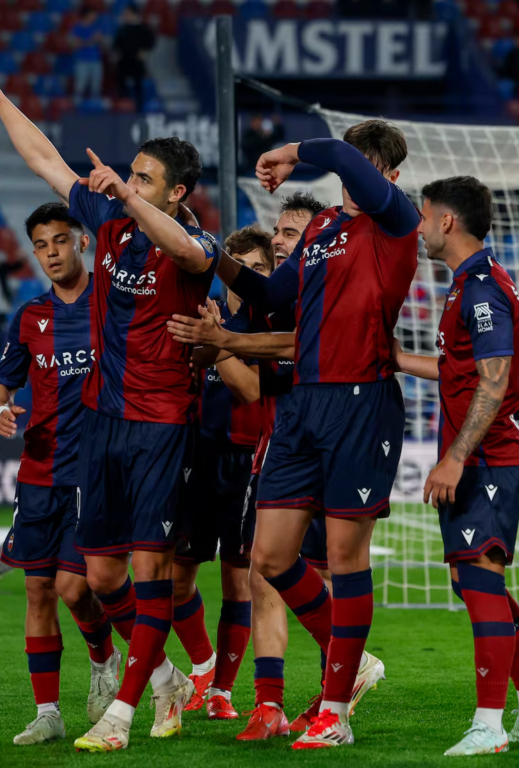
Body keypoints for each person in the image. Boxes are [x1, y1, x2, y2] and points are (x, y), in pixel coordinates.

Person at [0, 42, 222, 753]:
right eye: (128, 172)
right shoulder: (109, 224)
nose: (125, 182)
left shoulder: (194, 243)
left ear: (176, 193)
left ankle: (125, 712)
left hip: (162, 425)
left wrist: (128, 198)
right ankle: (163, 675)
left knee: (149, 567)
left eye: (143, 178)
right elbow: (45, 160)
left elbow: (190, 256)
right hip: (101, 423)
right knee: (99, 576)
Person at [203, 121, 419, 748]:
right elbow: (273, 291)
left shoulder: (395, 222)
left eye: (364, 167)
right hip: (304, 406)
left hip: (362, 401)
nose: (351, 177)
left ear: (388, 178)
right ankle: (351, 658)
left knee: (347, 560)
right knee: (267, 560)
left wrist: (288, 153)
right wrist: (209, 255)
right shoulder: (323, 229)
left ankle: (335, 712)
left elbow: (332, 156)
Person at [168, 193, 387, 740]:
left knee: (326, 573)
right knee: (268, 575)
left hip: (329, 443)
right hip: (281, 450)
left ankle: (335, 689)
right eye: (281, 233)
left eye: (294, 234)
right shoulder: (274, 304)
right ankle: (273, 702)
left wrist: (222, 342)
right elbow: (252, 375)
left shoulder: (322, 301)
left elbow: (253, 378)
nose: (285, 241)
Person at [393, 176, 519, 756]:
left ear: (447, 221)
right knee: (473, 580)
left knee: (480, 578)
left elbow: (493, 384)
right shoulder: (467, 284)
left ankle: (490, 725)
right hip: (482, 454)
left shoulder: (482, 290)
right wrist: (396, 359)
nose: (417, 229)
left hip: (489, 456)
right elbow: (459, 370)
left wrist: (454, 458)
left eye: (423, 217)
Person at [0, 202, 122, 746]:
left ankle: (104, 658)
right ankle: (47, 713)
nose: (51, 253)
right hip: (39, 469)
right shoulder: (28, 317)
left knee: (75, 586)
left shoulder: (113, 304)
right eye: (41, 245)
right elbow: (5, 383)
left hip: (96, 469)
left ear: (82, 244)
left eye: (60, 241)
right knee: (38, 589)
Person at [170, 226, 275, 719]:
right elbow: (184, 372)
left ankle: (222, 694)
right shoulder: (200, 315)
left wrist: (220, 342)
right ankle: (203, 665)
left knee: (239, 583)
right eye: (235, 267)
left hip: (243, 462)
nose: (243, 277)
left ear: (270, 273)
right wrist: (208, 342)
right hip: (194, 457)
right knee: (175, 578)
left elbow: (253, 392)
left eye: (256, 268)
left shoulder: (268, 326)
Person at [112, 5, 155, 109]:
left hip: (137, 61)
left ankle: (139, 107)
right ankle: (124, 105)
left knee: (138, 84)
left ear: (134, 15)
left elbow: (151, 41)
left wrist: (145, 51)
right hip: (124, 60)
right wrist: (116, 53)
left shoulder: (143, 28)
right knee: (120, 82)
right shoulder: (123, 29)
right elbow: (116, 44)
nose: (125, 16)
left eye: (128, 14)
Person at [72, 6, 105, 99]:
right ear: (86, 15)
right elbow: (75, 44)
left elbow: (102, 46)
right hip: (82, 60)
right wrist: (91, 40)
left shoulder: (96, 28)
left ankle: (95, 106)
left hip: (96, 60)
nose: (95, 16)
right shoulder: (77, 28)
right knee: (80, 85)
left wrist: (101, 41)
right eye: (93, 14)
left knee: (96, 86)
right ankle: (76, 106)